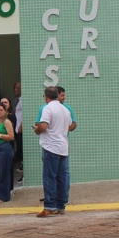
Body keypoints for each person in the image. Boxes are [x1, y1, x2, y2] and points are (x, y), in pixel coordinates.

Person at [34, 86, 72, 217]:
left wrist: (37, 129)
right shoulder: (65, 109)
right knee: (62, 177)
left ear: (46, 96)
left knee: (49, 176)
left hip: (51, 146)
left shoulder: (48, 108)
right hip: (63, 146)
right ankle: (61, 205)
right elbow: (70, 126)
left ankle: (49, 205)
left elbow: (43, 126)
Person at [13, 82, 24, 181]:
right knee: (20, 151)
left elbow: (26, 113)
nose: (15, 90)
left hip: (20, 130)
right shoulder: (20, 100)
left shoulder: (23, 100)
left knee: (22, 151)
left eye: (17, 88)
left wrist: (21, 126)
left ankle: (24, 173)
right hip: (17, 129)